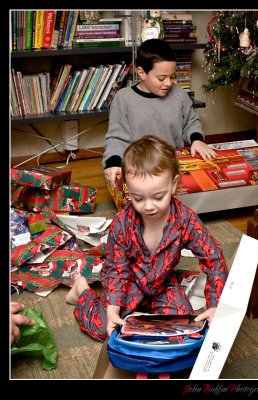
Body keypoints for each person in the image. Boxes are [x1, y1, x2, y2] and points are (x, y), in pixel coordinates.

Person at [66, 135, 228, 342]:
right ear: (128, 190)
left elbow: (213, 257)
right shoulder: (122, 223)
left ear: (173, 184)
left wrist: (215, 305)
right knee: (103, 328)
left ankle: (143, 313)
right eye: (138, 198)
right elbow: (117, 270)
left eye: (158, 197)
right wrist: (113, 309)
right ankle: (82, 290)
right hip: (128, 285)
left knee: (183, 329)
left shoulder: (186, 220)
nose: (148, 206)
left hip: (163, 285)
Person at [103, 38, 217, 190]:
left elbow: (191, 122)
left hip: (172, 167)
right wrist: (113, 163)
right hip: (140, 169)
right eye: (161, 78)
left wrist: (197, 140)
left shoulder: (179, 94)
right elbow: (117, 137)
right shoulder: (124, 98)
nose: (168, 83)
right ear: (142, 73)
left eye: (172, 76)